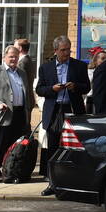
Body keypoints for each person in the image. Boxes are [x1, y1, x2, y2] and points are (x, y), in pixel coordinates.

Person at [36, 35, 89, 194]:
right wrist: (52, 89)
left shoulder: (79, 66)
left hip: (73, 110)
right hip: (54, 110)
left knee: (74, 146)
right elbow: (39, 89)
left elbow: (86, 87)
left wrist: (75, 87)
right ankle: (53, 182)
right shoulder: (46, 67)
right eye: (63, 50)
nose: (67, 53)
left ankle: (75, 181)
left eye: (69, 49)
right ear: (56, 51)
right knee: (53, 147)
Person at [0, 45, 32, 183]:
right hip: (3, 114)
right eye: (11, 56)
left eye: (16, 56)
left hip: (19, 114)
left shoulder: (21, 72)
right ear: (4, 57)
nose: (14, 59)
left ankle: (10, 172)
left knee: (14, 147)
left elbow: (26, 93)